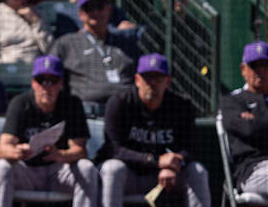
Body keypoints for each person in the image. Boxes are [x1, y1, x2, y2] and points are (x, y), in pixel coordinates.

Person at [98, 53, 211, 207]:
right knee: (112, 168)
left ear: (168, 81)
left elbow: (191, 147)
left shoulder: (181, 106)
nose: (152, 83)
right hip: (132, 176)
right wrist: (156, 161)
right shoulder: (120, 103)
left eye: (158, 78)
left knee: (197, 171)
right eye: (147, 78)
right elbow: (114, 150)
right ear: (137, 80)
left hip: (169, 177)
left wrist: (174, 164)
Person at [0, 55, 99, 207]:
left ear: (61, 83)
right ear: (33, 83)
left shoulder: (72, 104)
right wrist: (18, 151)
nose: (47, 87)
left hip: (58, 171)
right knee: (2, 167)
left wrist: (60, 154)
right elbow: (2, 149)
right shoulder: (20, 103)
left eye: (53, 81)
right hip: (27, 172)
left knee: (87, 169)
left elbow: (80, 150)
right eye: (42, 81)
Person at [48, 0, 139, 115]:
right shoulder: (67, 43)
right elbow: (50, 75)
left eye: (100, 7)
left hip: (129, 113)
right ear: (80, 14)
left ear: (109, 9)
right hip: (88, 116)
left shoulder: (125, 42)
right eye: (89, 8)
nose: (95, 12)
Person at [220, 41, 268, 199]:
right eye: (255, 66)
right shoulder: (233, 100)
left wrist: (256, 120)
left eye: (265, 66)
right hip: (252, 170)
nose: (260, 71)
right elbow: (249, 129)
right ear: (243, 69)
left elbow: (255, 127)